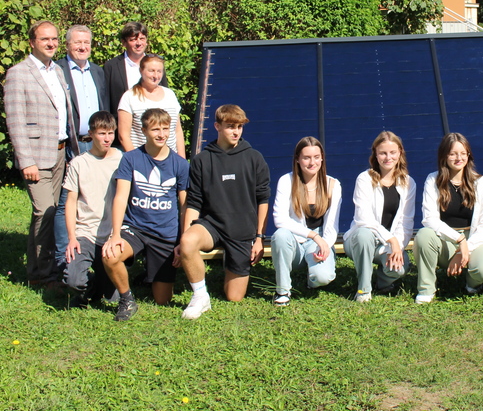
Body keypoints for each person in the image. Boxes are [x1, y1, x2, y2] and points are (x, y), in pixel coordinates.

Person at [3, 20, 78, 285]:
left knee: (50, 213)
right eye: (45, 39)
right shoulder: (18, 74)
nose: (51, 43)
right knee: (44, 212)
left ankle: (41, 269)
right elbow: (15, 121)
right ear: (32, 42)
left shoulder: (56, 70)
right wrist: (26, 161)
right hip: (37, 157)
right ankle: (41, 276)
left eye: (55, 39)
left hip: (60, 153)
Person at [179, 105, 270, 319]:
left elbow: (263, 200)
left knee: (234, 296)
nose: (236, 131)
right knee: (188, 242)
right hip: (212, 225)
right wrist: (183, 239)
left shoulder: (254, 158)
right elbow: (194, 202)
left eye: (239, 126)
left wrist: (259, 238)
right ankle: (200, 296)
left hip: (242, 231)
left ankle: (229, 264)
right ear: (217, 126)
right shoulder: (202, 160)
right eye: (230, 126)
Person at [101, 108, 189, 321]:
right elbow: (120, 197)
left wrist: (182, 241)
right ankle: (127, 299)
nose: (161, 134)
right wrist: (115, 235)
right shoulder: (130, 159)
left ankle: (148, 275)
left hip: (165, 234)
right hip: (135, 229)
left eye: (165, 129)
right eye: (155, 129)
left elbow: (185, 205)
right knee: (110, 256)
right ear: (143, 131)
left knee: (163, 300)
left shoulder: (180, 163)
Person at [413, 132, 483, 303]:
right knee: (423, 235)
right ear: (444, 156)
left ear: (469, 155)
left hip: (474, 240)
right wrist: (459, 240)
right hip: (445, 240)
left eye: (463, 153)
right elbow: (429, 219)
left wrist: (464, 249)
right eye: (453, 153)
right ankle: (426, 290)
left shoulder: (481, 184)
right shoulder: (433, 180)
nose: (458, 158)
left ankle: (472, 283)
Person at [55, 25, 109, 270]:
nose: (82, 47)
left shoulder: (98, 72)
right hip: (72, 144)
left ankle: (95, 252)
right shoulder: (58, 70)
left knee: (97, 197)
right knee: (67, 200)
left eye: (86, 42)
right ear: (67, 45)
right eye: (77, 42)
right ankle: (62, 260)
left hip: (96, 144)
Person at [343, 131, 416, 303]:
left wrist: (397, 245)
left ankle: (382, 282)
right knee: (364, 234)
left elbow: (406, 221)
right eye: (383, 153)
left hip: (388, 243)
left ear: (400, 153)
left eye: (392, 152)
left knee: (400, 268)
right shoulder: (364, 179)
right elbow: (364, 219)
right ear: (375, 154)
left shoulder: (408, 183)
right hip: (360, 241)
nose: (387, 157)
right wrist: (391, 239)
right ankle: (363, 289)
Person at [271, 137, 340, 306]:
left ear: (322, 158)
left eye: (316, 157)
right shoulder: (286, 181)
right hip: (293, 241)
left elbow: (332, 225)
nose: (312, 162)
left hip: (319, 240)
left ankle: (312, 277)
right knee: (280, 235)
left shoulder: (333, 184)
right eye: (306, 157)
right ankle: (283, 291)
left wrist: (324, 244)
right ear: (297, 159)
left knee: (323, 277)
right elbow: (280, 219)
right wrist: (312, 236)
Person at [62, 111, 122, 304]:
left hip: (111, 235)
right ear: (91, 133)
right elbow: (70, 202)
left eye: (111, 133)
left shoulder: (121, 160)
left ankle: (101, 286)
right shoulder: (78, 163)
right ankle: (88, 284)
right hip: (85, 233)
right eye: (102, 133)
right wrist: (72, 238)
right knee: (73, 281)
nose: (107, 139)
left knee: (112, 298)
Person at [117, 54, 185, 158]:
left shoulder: (170, 94)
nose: (156, 75)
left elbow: (177, 131)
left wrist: (181, 160)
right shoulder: (129, 97)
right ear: (141, 71)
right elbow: (123, 136)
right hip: (143, 159)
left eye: (159, 71)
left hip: (170, 160)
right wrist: (137, 161)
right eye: (151, 71)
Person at [103, 21, 167, 116]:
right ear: (124, 42)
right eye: (133, 39)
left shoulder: (156, 64)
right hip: (122, 125)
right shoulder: (111, 66)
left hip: (153, 125)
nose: (139, 43)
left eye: (142, 38)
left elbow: (164, 94)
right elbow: (106, 100)